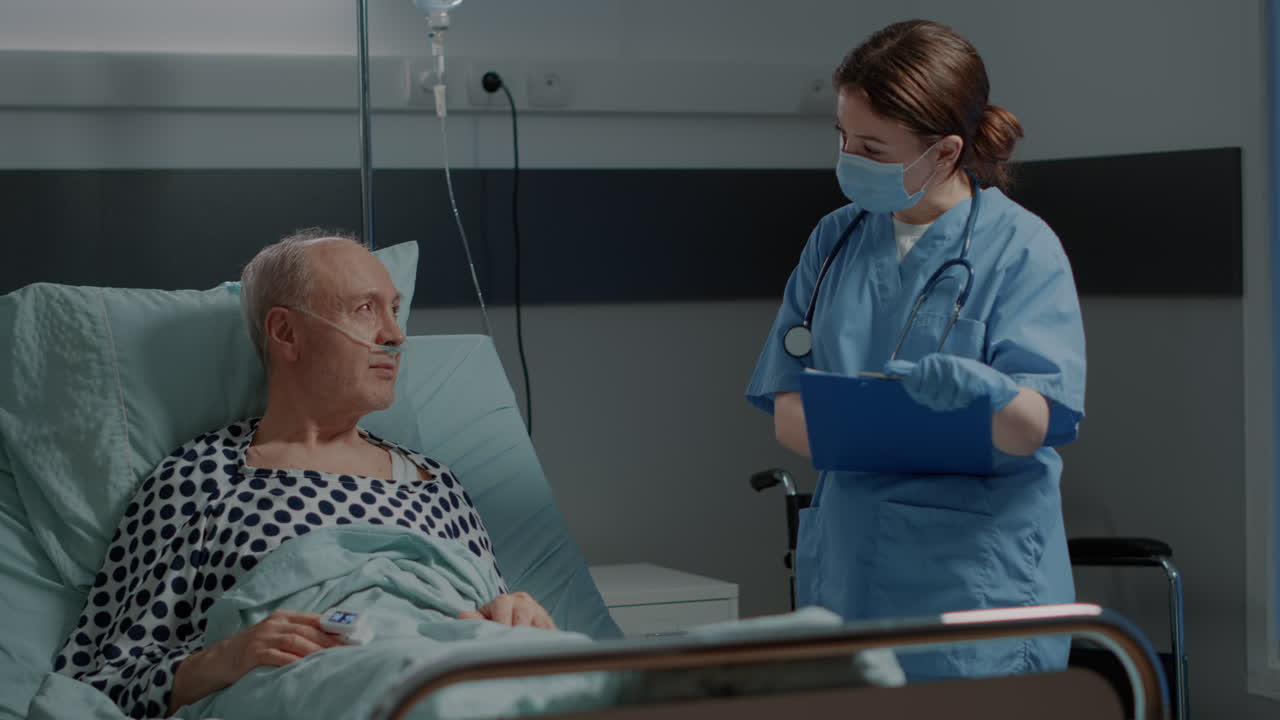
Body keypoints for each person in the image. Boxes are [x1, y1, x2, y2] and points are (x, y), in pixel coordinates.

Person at [53, 230, 555, 718]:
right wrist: (226, 658)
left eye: (394, 310)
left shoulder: (436, 484)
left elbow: (497, 621)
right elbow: (100, 686)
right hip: (326, 682)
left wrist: (520, 617)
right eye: (364, 309)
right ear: (286, 333)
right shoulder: (202, 479)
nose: (395, 335)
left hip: (466, 673)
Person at [745, 19, 1086, 680]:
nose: (850, 159)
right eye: (843, 138)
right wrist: (897, 424)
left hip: (971, 587)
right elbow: (789, 411)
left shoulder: (1021, 248)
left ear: (946, 152)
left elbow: (1030, 428)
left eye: (873, 147)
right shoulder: (835, 241)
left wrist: (993, 397)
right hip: (851, 572)